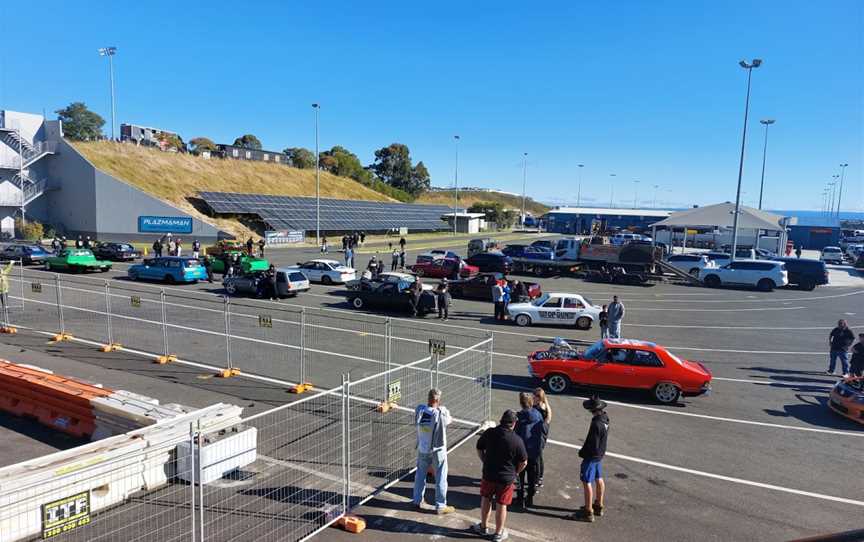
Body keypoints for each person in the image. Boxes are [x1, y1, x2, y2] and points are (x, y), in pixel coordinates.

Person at [471, 410, 528, 542]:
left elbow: (479, 447)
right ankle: (498, 533)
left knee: (486, 499)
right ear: (513, 424)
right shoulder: (516, 440)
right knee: (502, 504)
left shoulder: (490, 433)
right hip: (506, 478)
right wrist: (516, 472)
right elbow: (524, 461)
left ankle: (483, 527)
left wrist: (484, 460)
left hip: (489, 474)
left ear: (501, 420)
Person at [412, 388, 455, 514]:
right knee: (441, 476)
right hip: (437, 450)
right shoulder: (441, 413)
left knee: (420, 474)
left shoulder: (420, 410)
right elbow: (449, 420)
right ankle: (441, 505)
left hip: (422, 448)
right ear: (438, 400)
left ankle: (417, 500)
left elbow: (423, 409)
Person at [572, 395, 610, 523]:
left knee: (586, 481)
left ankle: (588, 512)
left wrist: (583, 453)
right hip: (599, 455)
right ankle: (599, 504)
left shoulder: (596, 423)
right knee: (599, 478)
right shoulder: (605, 419)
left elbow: (592, 444)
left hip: (591, 457)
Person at [515, 392, 546, 509]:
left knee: (519, 476)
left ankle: (520, 498)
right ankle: (530, 499)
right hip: (534, 450)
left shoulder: (519, 416)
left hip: (522, 451)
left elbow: (516, 433)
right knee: (532, 477)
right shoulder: (538, 414)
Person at [533, 388, 551, 488]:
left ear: (539, 397)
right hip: (542, 436)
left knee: (537, 459)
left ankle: (537, 479)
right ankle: (539, 478)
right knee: (539, 458)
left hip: (538, 437)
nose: (532, 397)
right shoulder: (545, 407)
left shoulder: (540, 408)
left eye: (534, 396)